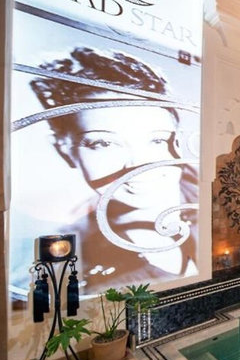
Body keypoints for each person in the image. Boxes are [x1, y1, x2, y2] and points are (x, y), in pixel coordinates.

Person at [29, 46, 198, 293]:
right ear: (64, 150)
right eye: (103, 143)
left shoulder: (212, 191)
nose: (138, 165)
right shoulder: (68, 259)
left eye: (157, 139)